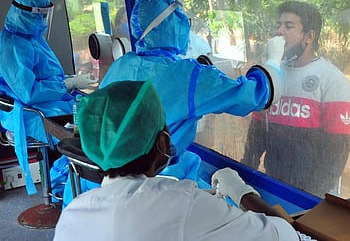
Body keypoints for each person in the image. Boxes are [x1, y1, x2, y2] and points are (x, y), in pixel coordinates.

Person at [54, 80, 299, 240]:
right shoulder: (183, 204)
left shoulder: (73, 212)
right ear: (162, 143)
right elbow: (285, 236)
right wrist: (239, 191)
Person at [99, 0, 285, 188]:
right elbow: (256, 95)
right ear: (172, 26)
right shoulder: (185, 75)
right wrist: (273, 60)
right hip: (161, 181)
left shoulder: (121, 65)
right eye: (182, 21)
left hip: (112, 179)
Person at [0, 0, 94, 194]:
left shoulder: (30, 39)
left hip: (47, 103)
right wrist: (67, 85)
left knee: (90, 111)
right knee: (88, 128)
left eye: (46, 15)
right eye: (40, 15)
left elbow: (47, 75)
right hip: (31, 112)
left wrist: (70, 80)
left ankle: (70, 183)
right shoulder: (11, 47)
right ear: (24, 13)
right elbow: (28, 92)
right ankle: (73, 186)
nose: (43, 21)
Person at [241, 0, 350, 197]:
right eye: (278, 25)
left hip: (311, 192)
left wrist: (314, 194)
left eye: (289, 26)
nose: (279, 31)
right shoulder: (271, 75)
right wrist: (245, 174)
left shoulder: (332, 79)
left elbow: (337, 149)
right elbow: (257, 131)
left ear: (309, 36)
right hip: (272, 182)